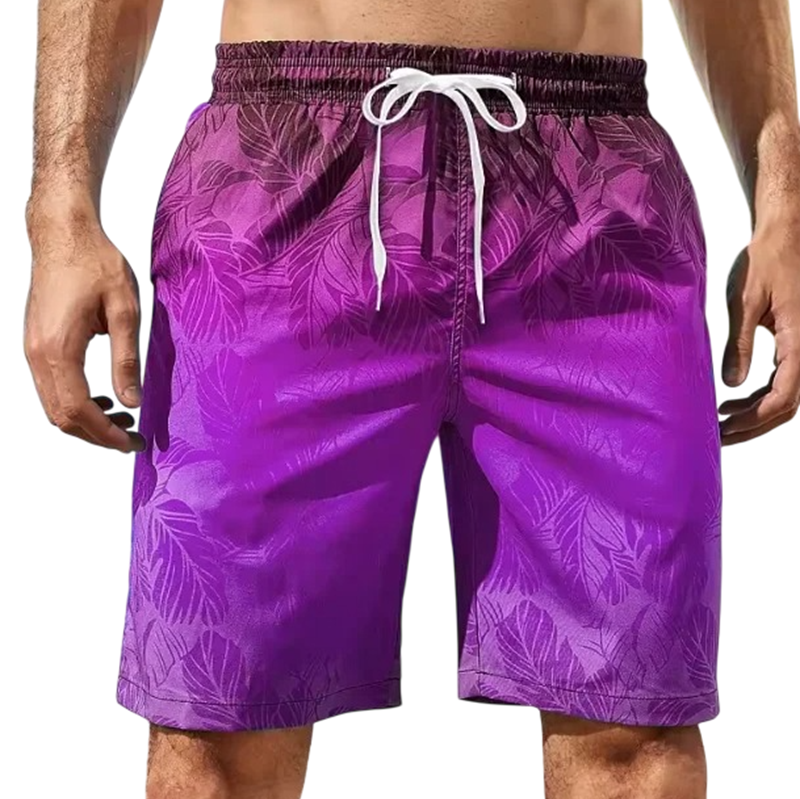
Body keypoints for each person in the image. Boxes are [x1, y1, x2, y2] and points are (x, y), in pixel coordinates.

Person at [23, 0, 800, 797]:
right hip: (283, 174)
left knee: (637, 735)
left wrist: (784, 201)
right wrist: (61, 207)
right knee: (217, 731)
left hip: (596, 201)